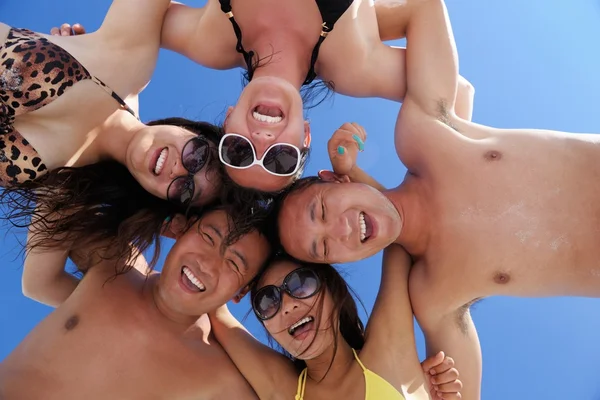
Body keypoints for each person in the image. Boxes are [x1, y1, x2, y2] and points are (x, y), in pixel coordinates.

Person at [273, 0, 600, 398]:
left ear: (333, 179)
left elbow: (423, 9)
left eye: (322, 209)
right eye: (324, 248)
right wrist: (434, 388)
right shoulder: (434, 293)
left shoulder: (423, 139)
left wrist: (340, 52)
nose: (339, 229)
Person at [157, 0, 474, 194]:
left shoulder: (210, 40)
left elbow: (127, 31)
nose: (263, 139)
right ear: (305, 136)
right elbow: (455, 94)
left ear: (228, 120)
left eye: (239, 151)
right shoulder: (351, 65)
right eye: (280, 159)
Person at [0, 1, 226, 264]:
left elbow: (39, 286)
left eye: (186, 190)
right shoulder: (130, 61)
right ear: (189, 129)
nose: (179, 170)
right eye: (197, 156)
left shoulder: (69, 190)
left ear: (162, 199)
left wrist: (208, 305)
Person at [0, 208, 272, 399]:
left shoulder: (218, 376)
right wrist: (153, 212)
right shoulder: (115, 262)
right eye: (208, 237)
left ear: (241, 292)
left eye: (234, 263)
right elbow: (64, 190)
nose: (207, 264)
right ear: (182, 229)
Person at [208, 247, 463, 400]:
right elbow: (213, 311)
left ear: (333, 290)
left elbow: (399, 231)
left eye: (300, 283)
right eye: (267, 301)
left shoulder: (387, 357)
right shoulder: (283, 390)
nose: (286, 305)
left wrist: (348, 171)